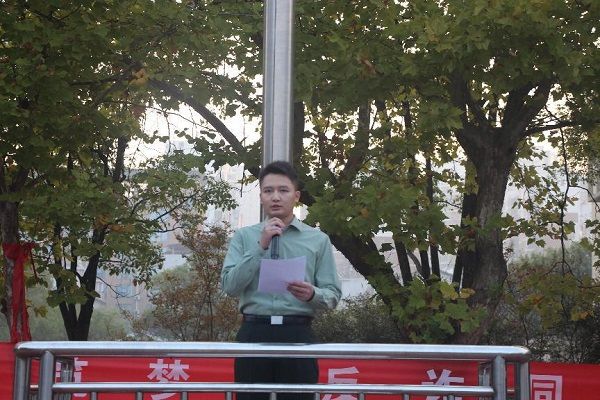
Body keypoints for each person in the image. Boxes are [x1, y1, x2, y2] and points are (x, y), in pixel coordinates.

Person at [221, 160, 342, 400]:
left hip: (297, 332)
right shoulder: (244, 237)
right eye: (268, 191)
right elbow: (229, 286)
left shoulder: (317, 239)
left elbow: (333, 295)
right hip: (254, 332)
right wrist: (260, 246)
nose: (275, 197)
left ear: (296, 196)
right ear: (261, 197)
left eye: (283, 190)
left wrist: (312, 294)